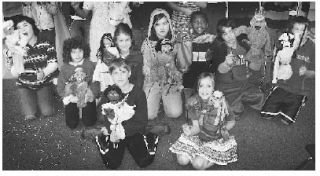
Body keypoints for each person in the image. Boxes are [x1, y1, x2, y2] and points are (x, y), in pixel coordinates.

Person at [95, 59, 159, 169]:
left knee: (145, 161)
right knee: (111, 164)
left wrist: (123, 132)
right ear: (111, 75)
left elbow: (141, 121)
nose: (119, 76)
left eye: (123, 72)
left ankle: (150, 138)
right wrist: (111, 132)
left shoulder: (138, 93)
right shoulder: (108, 93)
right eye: (115, 73)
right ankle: (102, 140)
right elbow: (106, 114)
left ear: (129, 73)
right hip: (116, 130)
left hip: (134, 131)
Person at [170, 72, 237, 170]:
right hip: (198, 136)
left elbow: (232, 121)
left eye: (208, 86)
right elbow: (196, 128)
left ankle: (214, 158)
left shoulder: (221, 102)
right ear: (198, 88)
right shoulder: (194, 102)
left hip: (215, 139)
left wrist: (223, 129)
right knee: (182, 161)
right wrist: (190, 131)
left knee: (197, 165)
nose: (204, 90)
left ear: (214, 88)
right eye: (201, 86)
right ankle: (199, 154)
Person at [261, 16, 315, 125]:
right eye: (297, 29)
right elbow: (275, 63)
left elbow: (315, 73)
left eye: (303, 30)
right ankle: (280, 100)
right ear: (291, 30)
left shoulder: (313, 48)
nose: (300, 33)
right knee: (265, 115)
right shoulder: (286, 41)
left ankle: (301, 99)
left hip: (299, 89)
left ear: (308, 32)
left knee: (286, 121)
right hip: (282, 85)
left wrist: (307, 72)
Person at [4, 15, 58, 120]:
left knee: (47, 112)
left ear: (33, 26)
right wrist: (12, 59)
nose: (22, 29)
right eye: (18, 28)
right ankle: (30, 100)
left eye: (25, 25)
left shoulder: (45, 44)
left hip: (43, 82)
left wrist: (44, 72)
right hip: (25, 84)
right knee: (30, 115)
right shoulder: (18, 49)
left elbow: (54, 64)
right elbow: (15, 73)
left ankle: (46, 96)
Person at [209, 18, 265, 120]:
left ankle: (241, 98)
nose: (229, 36)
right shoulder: (219, 48)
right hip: (227, 87)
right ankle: (232, 101)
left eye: (231, 31)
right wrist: (226, 64)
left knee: (260, 97)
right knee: (235, 112)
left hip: (244, 84)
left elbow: (254, 68)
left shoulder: (244, 45)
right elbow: (219, 69)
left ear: (237, 31)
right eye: (225, 34)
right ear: (221, 36)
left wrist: (257, 59)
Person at [141, 8, 183, 120]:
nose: (162, 27)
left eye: (165, 23)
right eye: (158, 24)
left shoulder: (175, 42)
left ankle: (166, 101)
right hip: (153, 81)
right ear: (153, 27)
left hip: (170, 81)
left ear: (169, 24)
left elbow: (180, 66)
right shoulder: (147, 44)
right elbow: (147, 68)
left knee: (175, 113)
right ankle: (157, 102)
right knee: (148, 115)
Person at [57, 36, 99, 129]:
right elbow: (60, 86)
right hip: (72, 95)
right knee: (71, 124)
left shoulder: (89, 64)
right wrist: (69, 97)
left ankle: (88, 112)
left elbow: (96, 81)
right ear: (68, 53)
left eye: (80, 51)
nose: (78, 54)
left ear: (85, 51)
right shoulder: (65, 68)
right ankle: (75, 112)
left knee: (89, 122)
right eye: (74, 52)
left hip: (87, 94)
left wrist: (92, 94)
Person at [182, 11, 216, 100]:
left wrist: (211, 58)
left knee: (206, 97)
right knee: (189, 98)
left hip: (205, 74)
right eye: (196, 22)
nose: (199, 24)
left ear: (207, 24)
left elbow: (213, 62)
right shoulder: (187, 41)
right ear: (190, 25)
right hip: (190, 75)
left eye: (203, 22)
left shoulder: (211, 40)